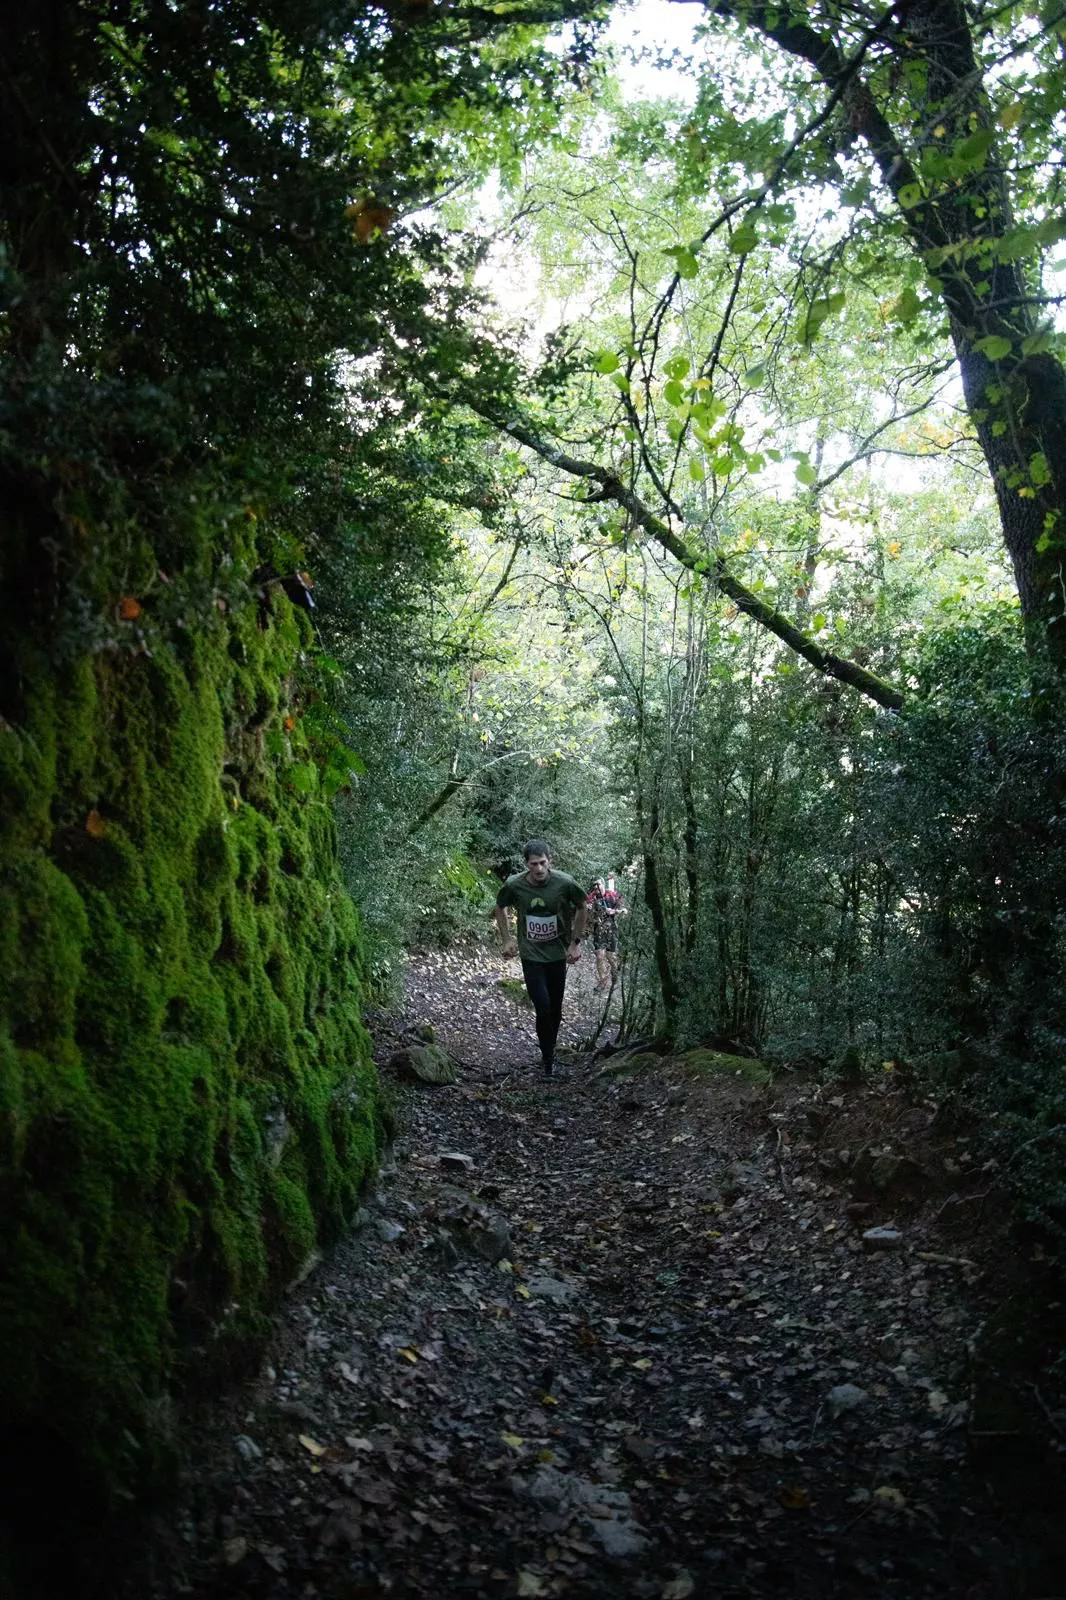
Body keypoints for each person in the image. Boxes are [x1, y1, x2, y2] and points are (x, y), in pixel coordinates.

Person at [494, 840, 589, 1076]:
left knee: (555, 1008)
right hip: (531, 954)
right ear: (526, 864)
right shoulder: (514, 884)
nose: (539, 869)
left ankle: (550, 1052)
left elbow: (582, 906)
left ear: (550, 861)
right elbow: (500, 906)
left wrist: (575, 943)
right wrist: (506, 939)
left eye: (542, 863)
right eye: (533, 864)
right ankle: (547, 1059)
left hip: (557, 953)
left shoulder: (565, 883)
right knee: (543, 1006)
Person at [590, 873, 627, 992]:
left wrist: (614, 911)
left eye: (598, 885)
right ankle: (602, 982)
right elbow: (585, 909)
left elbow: (625, 910)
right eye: (594, 886)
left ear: (603, 884)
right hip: (598, 930)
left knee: (611, 956)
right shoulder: (592, 897)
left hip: (612, 929)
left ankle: (615, 977)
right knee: (599, 955)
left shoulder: (613, 895)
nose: (596, 888)